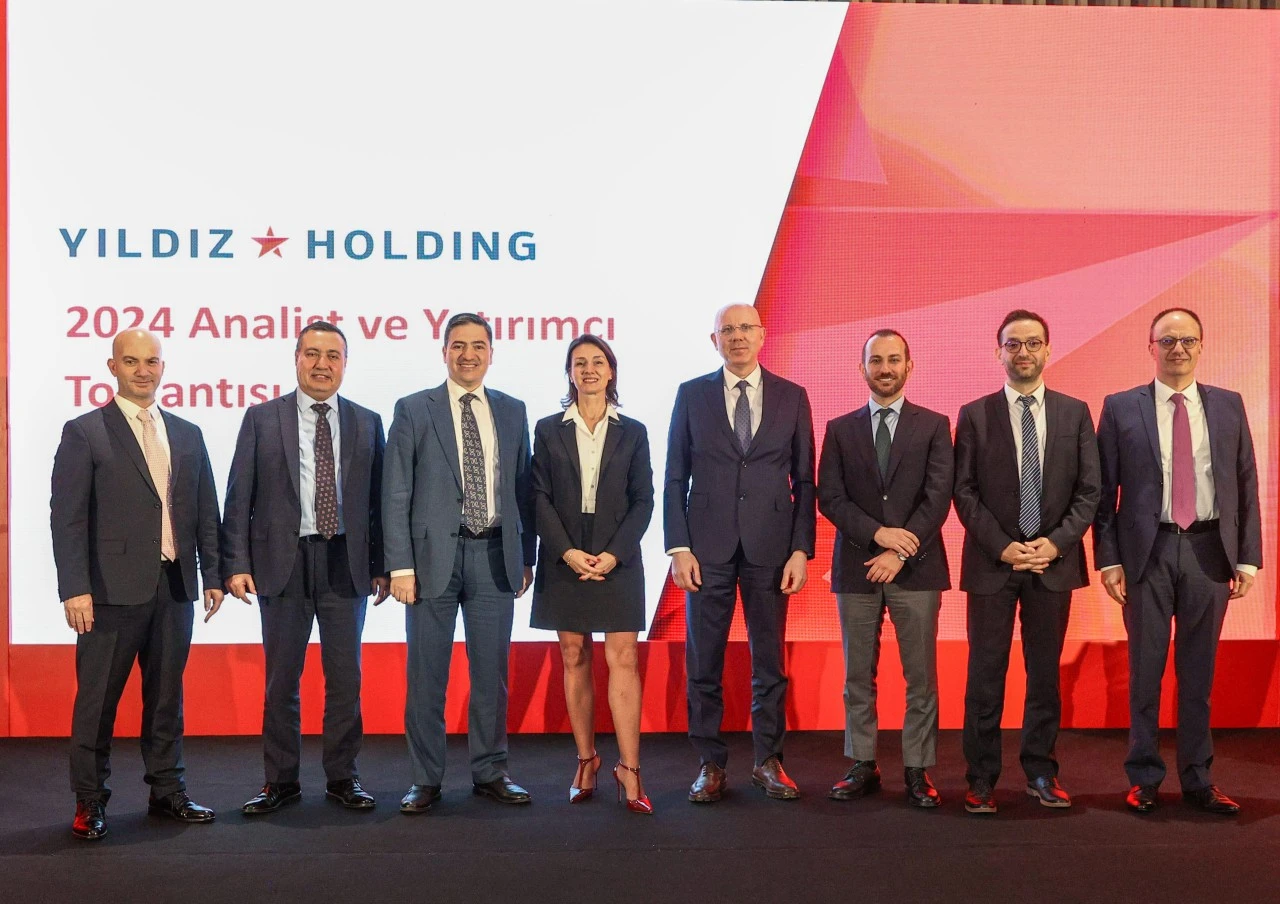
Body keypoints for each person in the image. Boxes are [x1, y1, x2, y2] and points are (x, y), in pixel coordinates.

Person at [51, 330, 224, 840]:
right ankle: (89, 800)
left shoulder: (188, 433)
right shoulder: (85, 432)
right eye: (131, 361)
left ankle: (167, 791)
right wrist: (74, 588)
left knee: (167, 698)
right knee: (97, 702)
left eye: (151, 361)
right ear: (113, 367)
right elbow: (67, 519)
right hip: (108, 593)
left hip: (175, 587)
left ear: (163, 367)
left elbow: (205, 511)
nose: (143, 371)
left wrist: (213, 575)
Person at [1094, 308, 1260, 815]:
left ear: (1201, 346)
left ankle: (1198, 779)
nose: (1178, 349)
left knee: (1198, 675)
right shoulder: (1120, 407)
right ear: (1151, 347)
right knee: (1145, 673)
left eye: (1187, 340)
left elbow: (1246, 483)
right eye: (1167, 340)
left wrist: (1248, 559)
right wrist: (1108, 560)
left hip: (1210, 551)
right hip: (1148, 552)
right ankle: (1144, 778)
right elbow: (1103, 492)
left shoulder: (1229, 404)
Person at [222, 321, 387, 814]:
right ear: (296, 359)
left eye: (332, 355)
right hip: (282, 564)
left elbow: (378, 504)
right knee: (281, 682)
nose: (322, 364)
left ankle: (343, 778)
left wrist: (383, 565)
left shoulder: (367, 422)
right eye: (312, 354)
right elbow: (239, 497)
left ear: (345, 364)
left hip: (345, 564)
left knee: (345, 681)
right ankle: (280, 781)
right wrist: (235, 563)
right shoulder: (261, 418)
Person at [384, 312, 536, 813]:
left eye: (478, 346)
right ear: (444, 352)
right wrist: (399, 566)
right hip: (430, 562)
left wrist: (526, 556)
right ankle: (425, 779)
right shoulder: (413, 408)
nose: (468, 354)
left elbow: (523, 488)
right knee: (427, 674)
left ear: (491, 353)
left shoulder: (512, 410)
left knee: (490, 674)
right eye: (458, 345)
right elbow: (396, 490)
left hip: (495, 555)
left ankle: (491, 771)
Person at [665, 303, 815, 803]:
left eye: (746, 328)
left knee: (768, 661)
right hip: (705, 549)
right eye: (727, 330)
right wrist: (678, 547)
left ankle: (768, 761)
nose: (737, 336)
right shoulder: (692, 395)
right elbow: (674, 476)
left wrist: (801, 548)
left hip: (771, 548)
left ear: (762, 335)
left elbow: (805, 480)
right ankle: (710, 764)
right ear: (714, 341)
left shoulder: (793, 396)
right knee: (703, 661)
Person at [953, 309, 1099, 815]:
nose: (1023, 352)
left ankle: (1040, 770)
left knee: (1044, 676)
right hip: (993, 563)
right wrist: (1002, 545)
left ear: (1048, 350)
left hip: (1052, 564)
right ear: (998, 353)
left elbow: (1090, 491)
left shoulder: (1075, 412)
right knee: (985, 674)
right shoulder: (974, 414)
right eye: (1013, 344)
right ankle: (981, 777)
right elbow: (964, 491)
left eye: (1033, 343)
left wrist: (1054, 544)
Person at [817, 329, 953, 808]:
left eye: (894, 359)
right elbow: (830, 497)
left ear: (909, 366)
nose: (885, 368)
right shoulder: (840, 428)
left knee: (921, 678)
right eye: (876, 360)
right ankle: (863, 763)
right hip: (856, 566)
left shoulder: (934, 425)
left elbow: (938, 497)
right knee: (857, 675)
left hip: (917, 568)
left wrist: (900, 551)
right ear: (862, 369)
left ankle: (917, 769)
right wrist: (879, 536)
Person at [530, 336, 655, 813]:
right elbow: (538, 497)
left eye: (597, 362)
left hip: (617, 555)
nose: (588, 369)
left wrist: (614, 555)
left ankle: (630, 768)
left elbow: (644, 499)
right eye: (579, 362)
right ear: (569, 372)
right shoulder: (547, 429)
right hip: (564, 553)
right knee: (573, 653)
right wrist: (566, 552)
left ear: (611, 371)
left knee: (622, 657)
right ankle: (587, 760)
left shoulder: (634, 431)